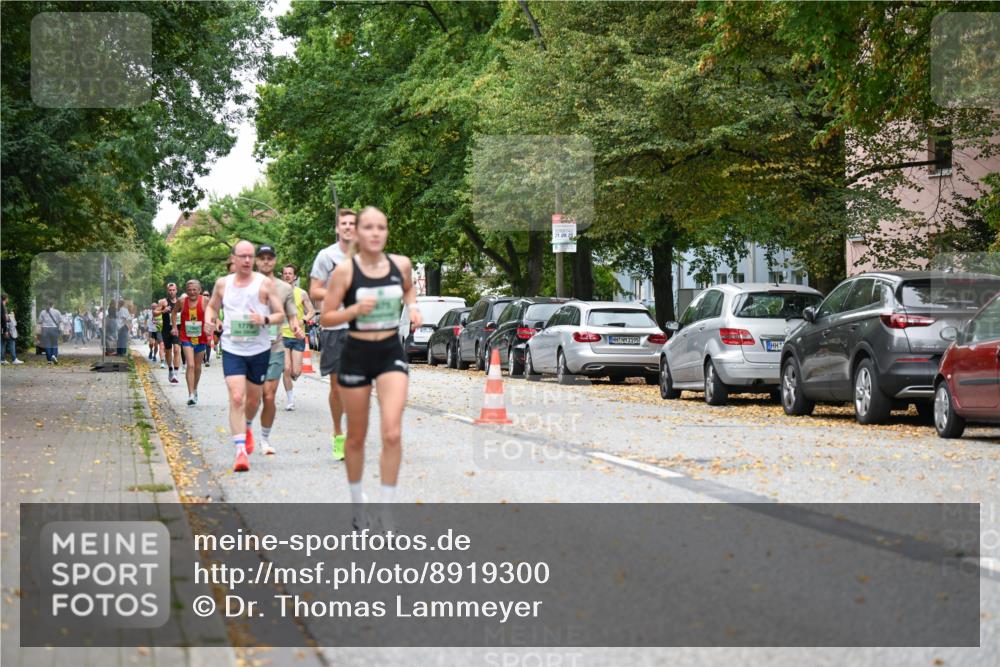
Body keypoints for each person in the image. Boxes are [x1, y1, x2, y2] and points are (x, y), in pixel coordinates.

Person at [320, 206, 421, 530]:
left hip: (390, 351)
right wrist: (353, 310)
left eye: (382, 227)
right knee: (357, 437)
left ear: (386, 232)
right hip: (357, 351)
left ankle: (387, 509)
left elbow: (408, 288)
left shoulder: (401, 264)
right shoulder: (345, 272)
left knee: (391, 432)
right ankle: (356, 504)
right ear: (358, 233)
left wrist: (414, 306)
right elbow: (327, 316)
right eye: (369, 227)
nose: (376, 233)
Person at [204, 241, 287, 473]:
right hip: (232, 348)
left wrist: (265, 320)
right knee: (237, 397)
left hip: (259, 349)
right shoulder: (223, 284)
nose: (248, 261)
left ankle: (248, 426)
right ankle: (240, 450)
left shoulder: (265, 284)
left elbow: (280, 314)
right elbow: (211, 307)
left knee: (253, 401)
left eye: (251, 256)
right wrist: (209, 320)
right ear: (234, 258)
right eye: (243, 256)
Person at [310, 208, 357, 460]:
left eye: (352, 223)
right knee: (338, 387)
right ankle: (338, 433)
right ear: (338, 229)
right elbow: (314, 290)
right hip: (335, 328)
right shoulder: (326, 256)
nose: (348, 227)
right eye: (344, 223)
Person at [247, 246, 300, 455]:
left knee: (268, 396)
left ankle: (264, 439)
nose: (266, 262)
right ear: (256, 261)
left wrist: (295, 326)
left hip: (275, 347)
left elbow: (292, 314)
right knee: (253, 397)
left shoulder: (285, 288)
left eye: (270, 258)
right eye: (262, 258)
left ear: (275, 261)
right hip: (251, 348)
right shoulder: (247, 284)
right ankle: (248, 430)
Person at [281, 263, 316, 410]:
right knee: (286, 369)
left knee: (296, 371)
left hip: (297, 336)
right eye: (285, 273)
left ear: (294, 276)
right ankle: (290, 400)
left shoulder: (302, 293)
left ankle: (294, 375)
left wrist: (302, 321)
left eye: (290, 273)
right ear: (282, 276)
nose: (288, 275)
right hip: (281, 336)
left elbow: (312, 311)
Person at [172, 280, 210, 406]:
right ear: (186, 291)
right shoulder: (182, 301)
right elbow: (173, 312)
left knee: (198, 367)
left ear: (199, 290)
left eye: (194, 289)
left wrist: (211, 325)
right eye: (189, 290)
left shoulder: (204, 301)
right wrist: (174, 327)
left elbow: (212, 314)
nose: (192, 292)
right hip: (186, 337)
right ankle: (191, 395)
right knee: (191, 365)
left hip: (201, 338)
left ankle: (195, 389)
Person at [155, 284, 182, 383]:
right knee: (168, 351)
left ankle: (175, 373)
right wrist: (163, 311)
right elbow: (154, 312)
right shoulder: (163, 302)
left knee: (176, 349)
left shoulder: (181, 301)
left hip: (177, 329)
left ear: (176, 290)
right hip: (166, 329)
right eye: (170, 290)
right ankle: (170, 369)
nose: (172, 292)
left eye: (173, 290)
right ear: (167, 291)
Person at [201, 290, 214, 367]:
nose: (206, 296)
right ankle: (203, 358)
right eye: (204, 295)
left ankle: (207, 360)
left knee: (208, 342)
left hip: (209, 325)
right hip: (200, 326)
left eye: (207, 295)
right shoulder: (199, 304)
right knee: (202, 342)